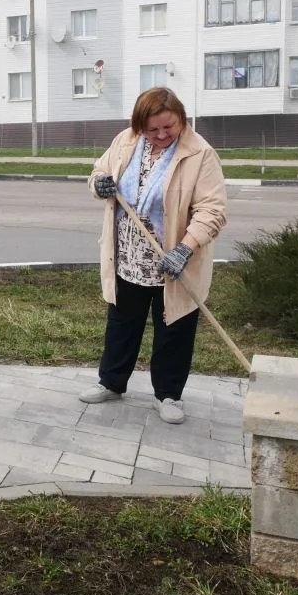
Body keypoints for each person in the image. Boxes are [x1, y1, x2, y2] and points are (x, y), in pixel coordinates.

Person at [78, 87, 227, 424]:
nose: (161, 135)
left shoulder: (199, 154)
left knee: (173, 327)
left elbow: (212, 210)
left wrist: (185, 249)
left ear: (181, 120)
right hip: (129, 255)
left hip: (173, 260)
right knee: (121, 323)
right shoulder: (126, 141)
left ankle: (169, 395)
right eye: (153, 129)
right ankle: (111, 382)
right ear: (140, 125)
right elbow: (98, 173)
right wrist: (99, 183)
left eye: (168, 128)